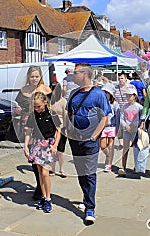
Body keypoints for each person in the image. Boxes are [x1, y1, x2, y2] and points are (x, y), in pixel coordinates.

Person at [67, 62, 111, 223]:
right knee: (81, 174)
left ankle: (90, 208)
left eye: (76, 73)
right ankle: (86, 199)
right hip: (75, 140)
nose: (73, 75)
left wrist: (93, 136)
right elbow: (69, 114)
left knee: (90, 174)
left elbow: (104, 118)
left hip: (91, 141)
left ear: (85, 74)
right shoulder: (73, 93)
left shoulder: (98, 94)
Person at [14, 65, 52, 200]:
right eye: (32, 76)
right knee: (33, 159)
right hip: (27, 126)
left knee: (42, 161)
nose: (34, 79)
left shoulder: (45, 89)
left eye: (37, 76)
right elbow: (17, 105)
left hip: (41, 128)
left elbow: (51, 107)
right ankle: (39, 185)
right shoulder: (23, 90)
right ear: (28, 77)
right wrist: (17, 110)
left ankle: (42, 189)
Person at [24, 91, 61, 213]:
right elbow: (29, 131)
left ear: (45, 102)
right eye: (34, 106)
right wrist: (25, 146)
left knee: (45, 172)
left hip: (48, 144)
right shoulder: (33, 115)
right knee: (39, 172)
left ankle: (49, 198)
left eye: (38, 106)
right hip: (37, 143)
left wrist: (55, 145)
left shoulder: (51, 114)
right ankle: (44, 197)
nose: (37, 109)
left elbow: (58, 130)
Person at [118, 87, 142, 176]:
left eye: (129, 95)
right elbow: (121, 118)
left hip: (135, 131)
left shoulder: (139, 107)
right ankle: (123, 166)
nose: (127, 97)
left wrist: (134, 125)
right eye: (126, 95)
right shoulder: (124, 106)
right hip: (126, 130)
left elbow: (141, 119)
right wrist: (125, 125)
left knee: (137, 148)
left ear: (134, 96)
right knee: (125, 148)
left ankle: (137, 166)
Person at [100, 83, 120, 172]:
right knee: (103, 146)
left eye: (106, 92)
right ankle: (108, 156)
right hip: (103, 127)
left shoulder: (115, 104)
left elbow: (118, 116)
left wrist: (118, 128)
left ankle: (109, 163)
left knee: (111, 145)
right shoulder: (100, 103)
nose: (105, 94)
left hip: (112, 126)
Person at [50, 81, 68, 178]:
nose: (53, 92)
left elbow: (66, 116)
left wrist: (66, 128)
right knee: (52, 150)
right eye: (52, 89)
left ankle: (61, 169)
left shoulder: (63, 101)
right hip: (51, 128)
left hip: (61, 128)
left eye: (55, 90)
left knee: (61, 150)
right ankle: (52, 169)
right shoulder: (49, 101)